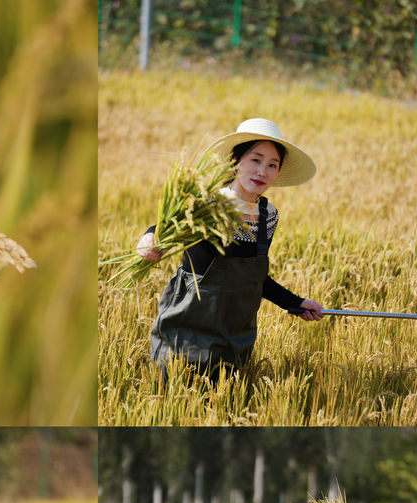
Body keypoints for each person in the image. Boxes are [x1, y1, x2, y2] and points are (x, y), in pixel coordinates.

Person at [139, 117, 325, 383]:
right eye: (256, 160)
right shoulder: (208, 203)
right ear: (235, 162)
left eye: (273, 165)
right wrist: (148, 239)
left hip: (234, 343)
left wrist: (294, 303)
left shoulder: (268, 215)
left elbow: (253, 278)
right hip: (185, 336)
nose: (263, 171)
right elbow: (164, 228)